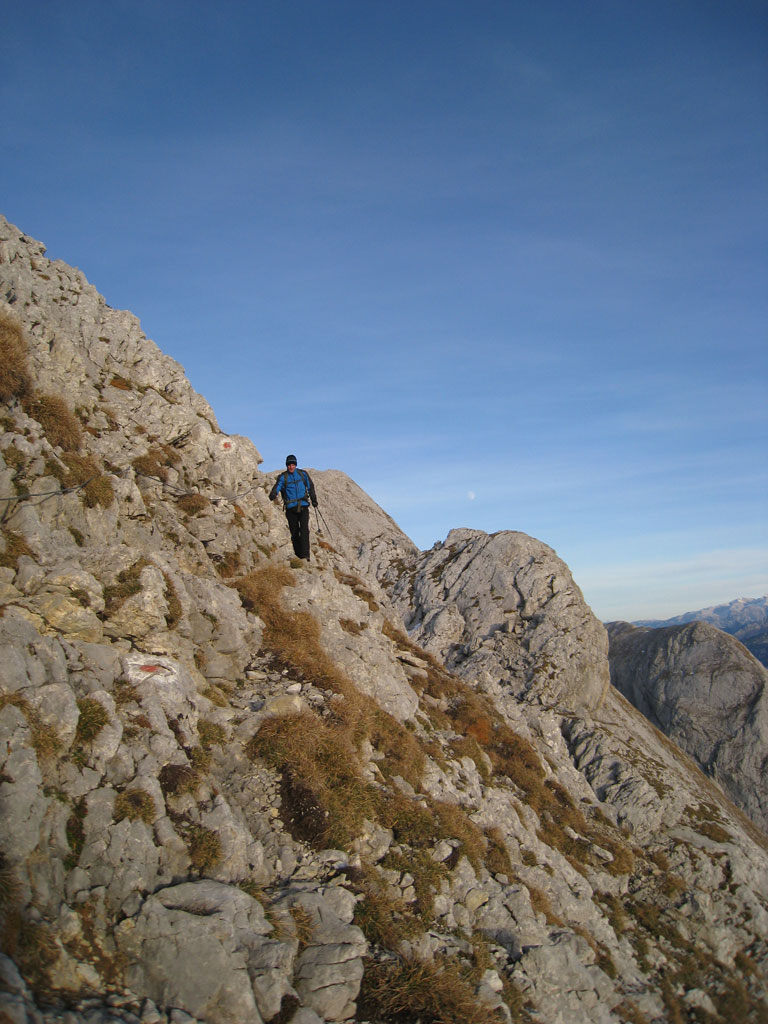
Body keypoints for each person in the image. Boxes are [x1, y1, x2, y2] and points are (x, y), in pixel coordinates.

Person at [269, 455, 318, 560]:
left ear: (295, 465)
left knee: (304, 530)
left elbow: (311, 487)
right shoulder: (283, 477)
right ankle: (298, 555)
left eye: (293, 465)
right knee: (294, 532)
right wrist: (273, 494)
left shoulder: (303, 474)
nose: (291, 467)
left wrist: (314, 500)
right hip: (291, 508)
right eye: (289, 465)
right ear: (287, 465)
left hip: (303, 506)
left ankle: (305, 555)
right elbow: (277, 487)